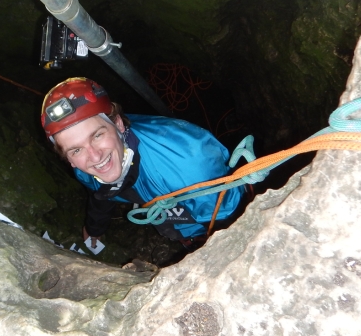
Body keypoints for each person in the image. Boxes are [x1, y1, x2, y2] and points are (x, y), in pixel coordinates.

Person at [41, 77, 245, 251]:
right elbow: (102, 193)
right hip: (182, 231)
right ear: (69, 159)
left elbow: (232, 216)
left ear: (118, 124)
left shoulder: (188, 162)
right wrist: (95, 227)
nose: (94, 157)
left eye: (97, 135)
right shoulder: (86, 170)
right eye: (76, 149)